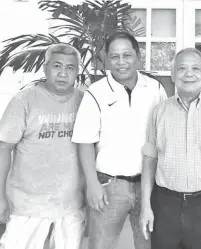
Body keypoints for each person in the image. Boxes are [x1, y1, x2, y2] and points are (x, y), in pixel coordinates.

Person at [71, 31, 167, 249]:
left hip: (148, 185)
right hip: (108, 186)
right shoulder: (95, 92)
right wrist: (93, 184)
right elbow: (84, 142)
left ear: (138, 56)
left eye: (127, 55)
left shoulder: (155, 89)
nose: (121, 62)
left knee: (149, 244)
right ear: (106, 59)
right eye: (115, 57)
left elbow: (164, 134)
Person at [139, 47, 201, 249]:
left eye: (196, 68)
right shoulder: (159, 111)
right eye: (182, 68)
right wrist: (146, 206)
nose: (189, 73)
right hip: (165, 204)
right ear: (173, 75)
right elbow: (150, 159)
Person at [0, 43, 85, 249]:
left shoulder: (84, 101)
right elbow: (3, 149)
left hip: (71, 205)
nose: (63, 74)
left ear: (77, 72)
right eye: (57, 66)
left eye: (70, 68)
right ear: (45, 68)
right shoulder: (24, 101)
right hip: (28, 205)